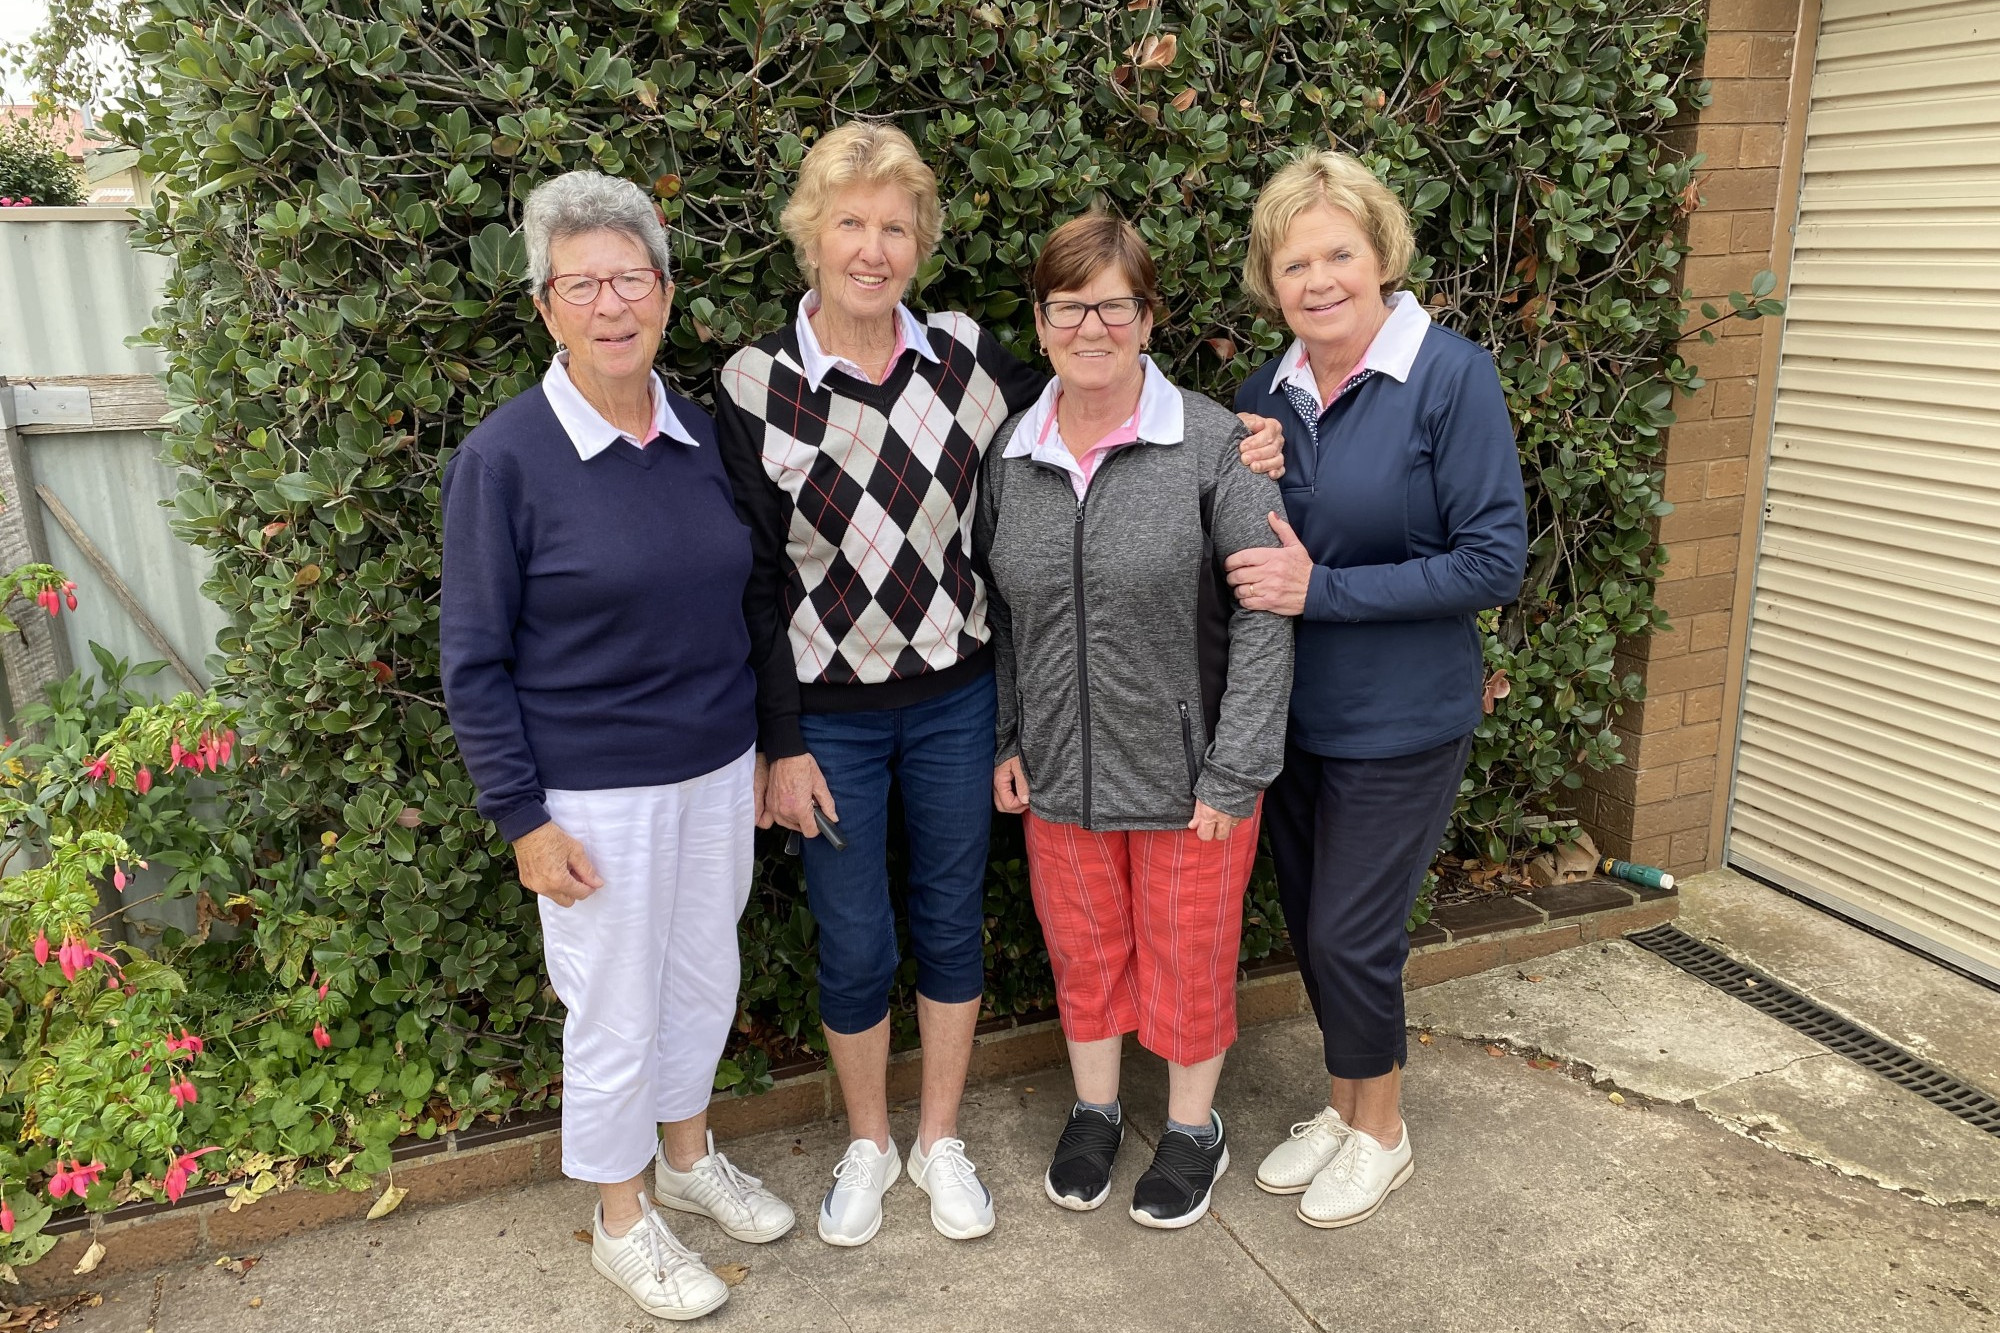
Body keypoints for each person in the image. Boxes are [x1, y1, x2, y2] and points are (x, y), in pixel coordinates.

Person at [715, 122, 1288, 1248]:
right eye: (849, 224)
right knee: (854, 938)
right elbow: (745, 581)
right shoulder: (750, 383)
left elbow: (1114, 378)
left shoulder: (973, 363)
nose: (871, 249)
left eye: (894, 226)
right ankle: (872, 1143)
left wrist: (1256, 434)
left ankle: (940, 1141)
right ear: (809, 237)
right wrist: (774, 738)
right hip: (826, 718)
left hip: (953, 703)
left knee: (949, 919)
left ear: (921, 243)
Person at [440, 170, 793, 1321]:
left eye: (629, 279)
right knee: (610, 1008)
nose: (609, 304)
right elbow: (473, 661)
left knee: (702, 977)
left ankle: (685, 1159)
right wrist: (522, 821)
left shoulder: (699, 428)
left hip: (712, 772)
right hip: (592, 795)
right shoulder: (509, 457)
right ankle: (619, 1215)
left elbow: (750, 595)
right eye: (580, 283)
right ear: (544, 306)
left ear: (665, 290)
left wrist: (755, 750)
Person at [1223, 149, 1529, 1230]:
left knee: (1353, 933)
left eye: (1336, 254)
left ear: (1379, 255)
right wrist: (1239, 465)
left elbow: (1494, 560)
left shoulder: (1446, 377)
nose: (1316, 280)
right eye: (1292, 260)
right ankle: (1345, 1105)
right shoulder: (1263, 392)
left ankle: (1382, 1131)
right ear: (1270, 277)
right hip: (1292, 717)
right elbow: (1239, 536)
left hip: (1400, 717)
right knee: (1312, 927)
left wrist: (1323, 591)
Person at [976, 212, 1294, 1229]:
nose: (1091, 326)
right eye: (1068, 306)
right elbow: (1005, 615)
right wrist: (1007, 736)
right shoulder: (1009, 453)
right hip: (1059, 765)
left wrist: (1234, 767)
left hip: (1189, 771)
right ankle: (1096, 1110)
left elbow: (1263, 615)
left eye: (1113, 304)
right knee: (1083, 949)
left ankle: (1193, 1127)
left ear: (1147, 317)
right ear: (1039, 321)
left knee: (1187, 950)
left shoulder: (1215, 445)